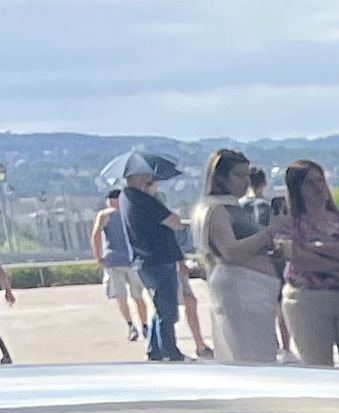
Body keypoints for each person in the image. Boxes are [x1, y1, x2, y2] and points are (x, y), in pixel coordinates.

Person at [273, 161, 339, 367]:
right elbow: (297, 256)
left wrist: (318, 247)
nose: (318, 187)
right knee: (318, 366)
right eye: (309, 183)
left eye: (320, 180)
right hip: (307, 299)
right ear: (297, 189)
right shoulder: (290, 223)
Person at [195, 150, 286, 364]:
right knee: (251, 357)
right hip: (241, 289)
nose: (246, 181)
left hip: (253, 288)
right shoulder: (216, 208)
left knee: (258, 353)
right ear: (220, 177)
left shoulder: (231, 206)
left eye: (247, 175)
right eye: (239, 175)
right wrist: (270, 233)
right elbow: (230, 251)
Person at [109, 163, 188, 361]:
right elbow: (174, 222)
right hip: (158, 259)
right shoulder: (142, 199)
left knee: (159, 306)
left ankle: (155, 349)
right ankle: (170, 351)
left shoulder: (126, 198)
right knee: (167, 310)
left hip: (143, 260)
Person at [90, 194, 149, 349]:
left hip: (113, 260)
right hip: (132, 260)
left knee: (120, 297)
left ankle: (131, 325)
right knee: (138, 296)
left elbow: (95, 235)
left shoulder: (104, 215)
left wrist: (98, 257)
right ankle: (145, 326)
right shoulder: (130, 212)